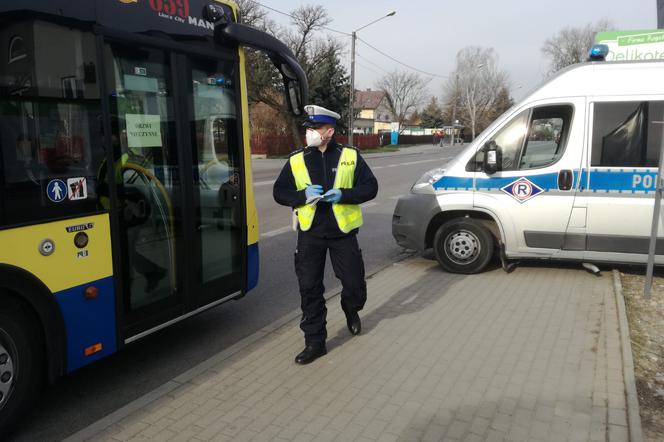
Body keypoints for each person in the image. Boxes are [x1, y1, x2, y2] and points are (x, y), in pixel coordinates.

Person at [273, 105, 378, 365]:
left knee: (355, 286)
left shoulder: (350, 156)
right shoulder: (297, 159)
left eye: (314, 128)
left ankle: (350, 308)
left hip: (343, 234)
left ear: (329, 131)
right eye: (308, 128)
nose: (309, 132)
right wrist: (301, 197)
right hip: (310, 235)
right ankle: (315, 342)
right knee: (309, 289)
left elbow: (371, 187)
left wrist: (345, 194)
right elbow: (279, 192)